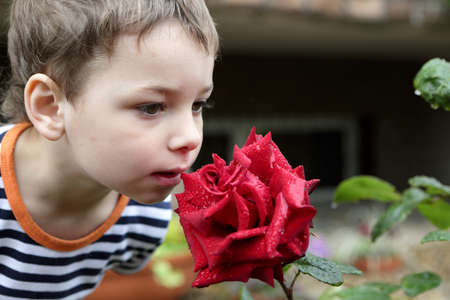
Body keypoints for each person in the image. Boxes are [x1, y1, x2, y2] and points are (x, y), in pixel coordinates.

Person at [0, 0, 218, 299]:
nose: (190, 137)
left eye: (198, 105)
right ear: (50, 107)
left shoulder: (146, 218)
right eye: (151, 107)